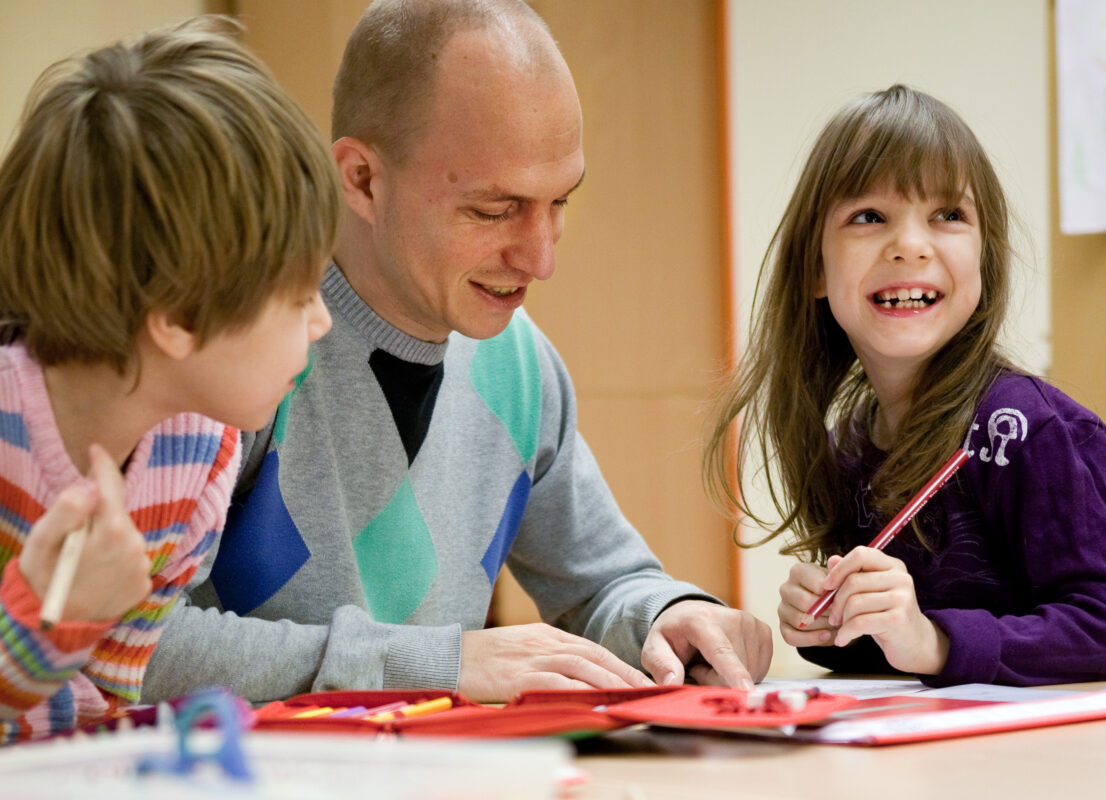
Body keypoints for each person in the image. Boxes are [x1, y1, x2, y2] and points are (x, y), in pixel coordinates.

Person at [141, 0, 770, 705]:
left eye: (560, 201)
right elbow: (127, 646)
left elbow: (605, 582)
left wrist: (669, 616)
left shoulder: (521, 364)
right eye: (494, 209)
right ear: (362, 180)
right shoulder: (236, 347)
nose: (540, 257)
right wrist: (432, 664)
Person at [704, 84, 1106, 686]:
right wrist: (837, 624)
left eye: (948, 215)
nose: (911, 247)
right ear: (815, 268)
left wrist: (936, 640)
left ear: (984, 258)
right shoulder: (850, 446)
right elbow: (902, 658)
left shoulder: (1040, 432)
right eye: (869, 217)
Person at [0, 17, 338, 742]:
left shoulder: (201, 454)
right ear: (179, 315)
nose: (322, 323)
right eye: (300, 294)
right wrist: (49, 620)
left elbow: (103, 705)